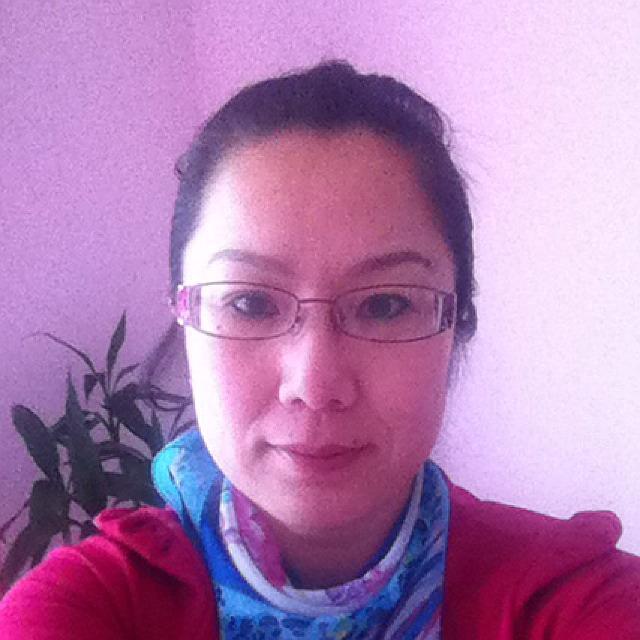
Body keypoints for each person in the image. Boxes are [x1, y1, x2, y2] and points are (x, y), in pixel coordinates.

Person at [1, 59, 639, 639]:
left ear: (457, 325)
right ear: (184, 319)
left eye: (385, 304)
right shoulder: (86, 609)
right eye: (250, 303)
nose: (315, 382)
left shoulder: (569, 602)